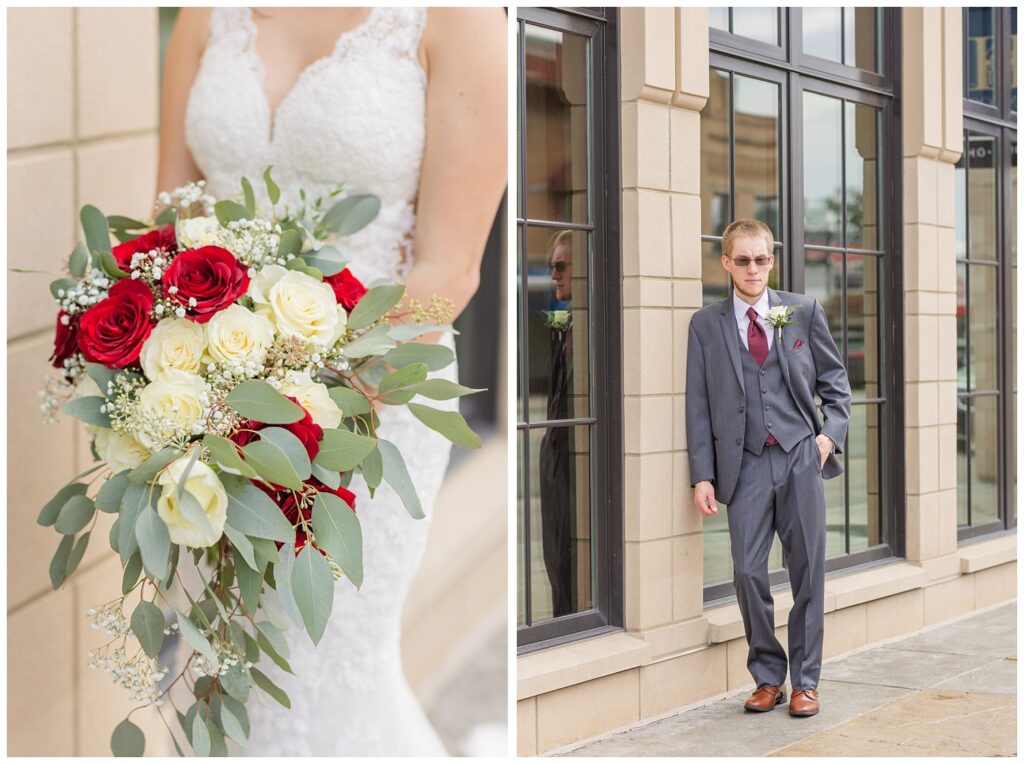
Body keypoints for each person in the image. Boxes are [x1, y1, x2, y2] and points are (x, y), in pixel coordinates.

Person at [158, 7, 506, 755]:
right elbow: (169, 219)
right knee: (222, 666)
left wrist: (314, 407)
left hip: (372, 408)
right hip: (205, 406)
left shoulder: (460, 19)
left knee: (322, 661)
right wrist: (164, 380)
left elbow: (449, 271)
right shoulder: (203, 16)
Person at [684, 218, 851, 718]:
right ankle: (767, 675)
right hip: (747, 464)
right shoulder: (705, 325)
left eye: (761, 259)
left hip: (800, 455)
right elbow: (697, 405)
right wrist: (702, 474)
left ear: (772, 260)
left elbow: (836, 386)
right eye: (743, 260)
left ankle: (806, 682)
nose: (753, 268)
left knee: (807, 574)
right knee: (747, 571)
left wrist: (827, 438)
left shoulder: (802, 311)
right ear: (725, 263)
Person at [539, 231, 574, 617]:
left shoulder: (594, 327)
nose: (553, 275)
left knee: (569, 563)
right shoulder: (565, 326)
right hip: (555, 465)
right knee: (555, 563)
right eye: (552, 266)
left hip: (579, 471)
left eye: (561, 266)